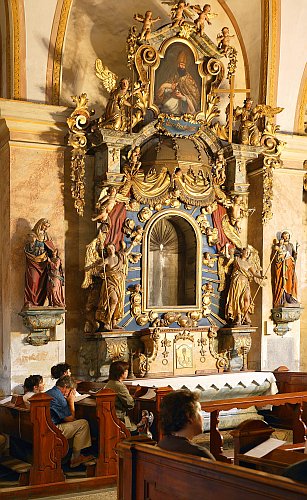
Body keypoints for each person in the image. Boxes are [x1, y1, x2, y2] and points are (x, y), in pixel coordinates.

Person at [46, 375, 94, 468]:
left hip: (46, 427)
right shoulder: (59, 397)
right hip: (52, 430)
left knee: (76, 423)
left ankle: (70, 455)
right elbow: (70, 418)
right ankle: (75, 458)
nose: (69, 394)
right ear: (65, 387)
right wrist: (71, 401)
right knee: (83, 424)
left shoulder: (50, 392)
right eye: (70, 391)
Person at [158, 389, 214, 459]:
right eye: (199, 411)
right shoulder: (200, 455)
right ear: (189, 416)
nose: (202, 416)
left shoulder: (163, 444)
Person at [96, 242, 132, 330]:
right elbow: (98, 268)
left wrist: (133, 245)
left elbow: (126, 253)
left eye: (111, 248)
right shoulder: (107, 260)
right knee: (114, 300)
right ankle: (107, 322)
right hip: (110, 284)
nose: (110, 250)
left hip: (119, 283)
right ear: (107, 251)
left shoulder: (120, 256)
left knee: (118, 302)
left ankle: (114, 323)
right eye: (108, 249)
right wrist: (101, 274)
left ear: (114, 248)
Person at [225, 247, 264, 326]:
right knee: (237, 299)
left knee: (246, 299)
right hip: (237, 281)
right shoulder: (236, 259)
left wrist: (261, 277)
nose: (247, 254)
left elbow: (254, 274)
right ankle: (239, 316)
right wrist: (228, 250)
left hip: (245, 282)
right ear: (242, 252)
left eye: (249, 253)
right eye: (246, 252)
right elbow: (228, 261)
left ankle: (245, 314)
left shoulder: (249, 264)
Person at [156, 49, 200, 115]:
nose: (181, 66)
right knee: (165, 105)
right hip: (172, 99)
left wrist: (182, 97)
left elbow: (194, 97)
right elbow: (166, 90)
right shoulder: (174, 76)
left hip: (183, 105)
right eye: (180, 64)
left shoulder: (189, 80)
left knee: (169, 105)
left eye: (183, 65)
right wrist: (170, 88)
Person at [24, 218, 55, 307]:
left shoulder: (47, 237)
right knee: (33, 281)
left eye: (47, 227)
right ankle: (30, 302)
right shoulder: (32, 235)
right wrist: (31, 244)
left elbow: (51, 249)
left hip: (43, 264)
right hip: (33, 262)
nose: (45, 228)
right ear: (40, 224)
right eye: (44, 226)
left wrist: (52, 255)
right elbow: (27, 250)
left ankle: (40, 303)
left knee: (43, 284)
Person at [104, 361, 137, 433]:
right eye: (126, 370)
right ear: (121, 372)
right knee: (136, 430)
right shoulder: (119, 386)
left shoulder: (109, 383)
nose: (127, 372)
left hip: (110, 417)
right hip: (119, 418)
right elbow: (130, 403)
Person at [273, 231, 299, 307]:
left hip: (290, 266)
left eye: (287, 236)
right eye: (284, 236)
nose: (286, 237)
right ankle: (284, 298)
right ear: (282, 237)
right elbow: (277, 258)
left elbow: (293, 255)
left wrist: (295, 255)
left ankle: (291, 296)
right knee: (284, 282)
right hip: (283, 267)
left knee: (293, 280)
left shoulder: (291, 245)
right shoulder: (280, 246)